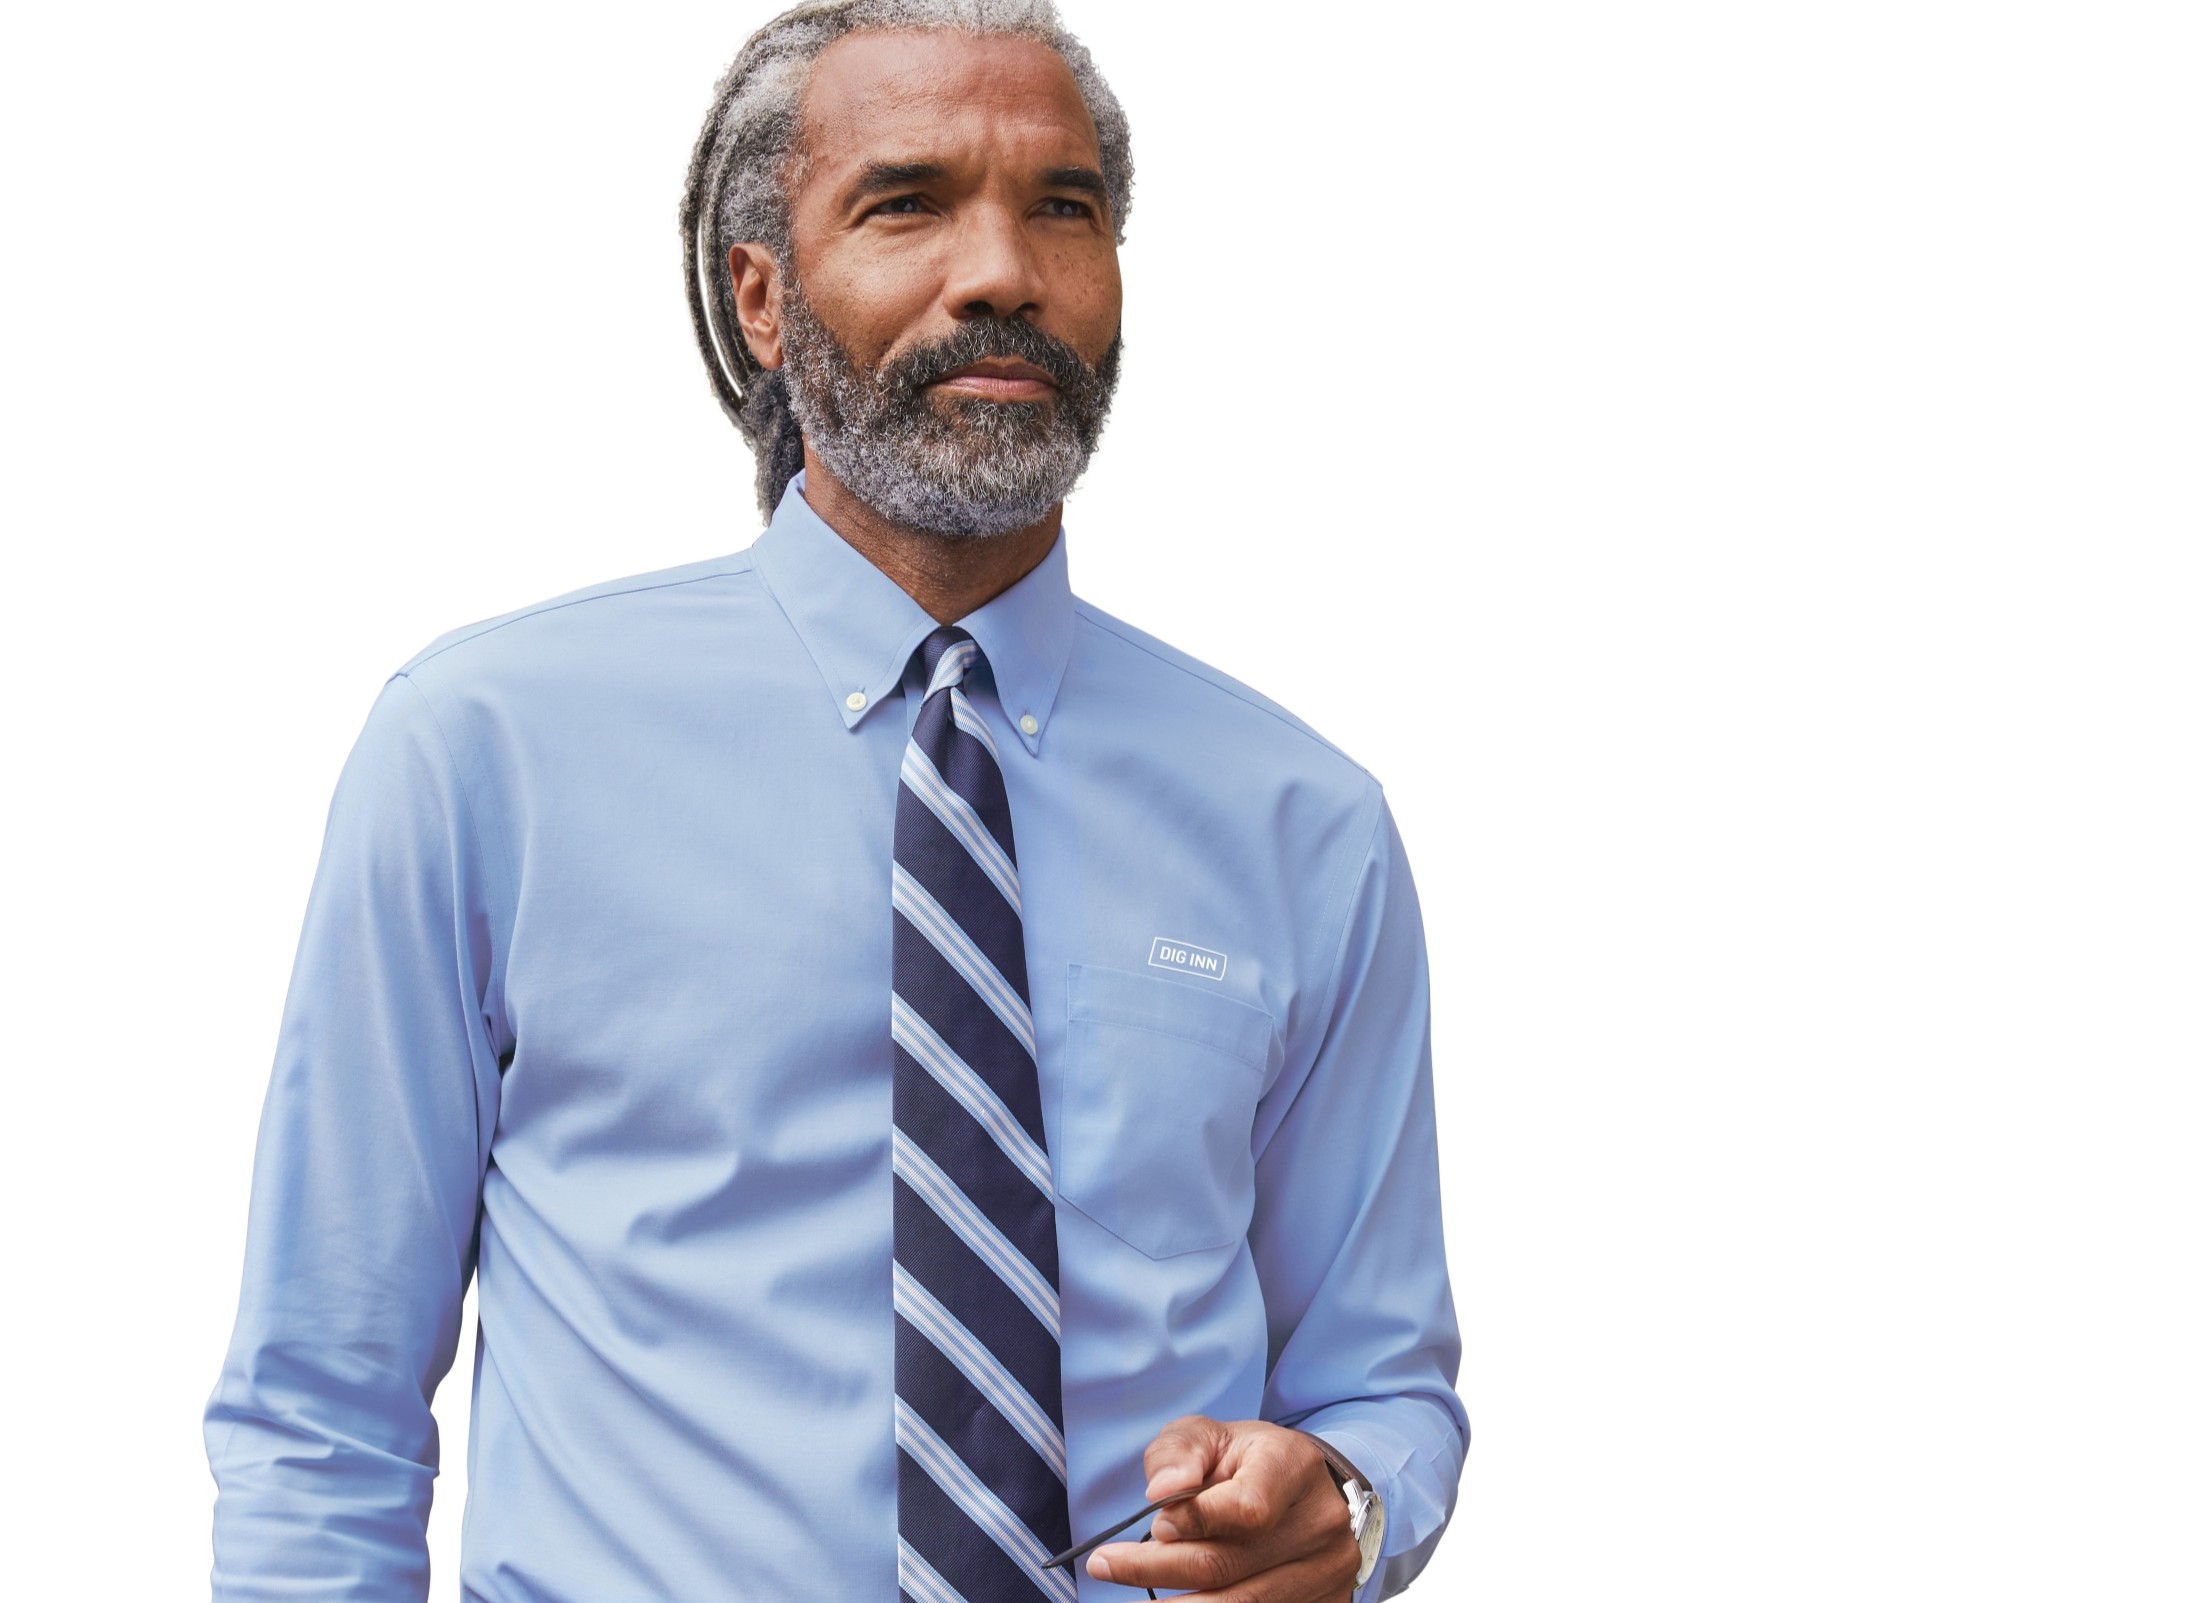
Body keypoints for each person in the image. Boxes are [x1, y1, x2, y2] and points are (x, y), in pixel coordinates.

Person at [202, 2, 1468, 1599]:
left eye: (1063, 207)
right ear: (763, 300)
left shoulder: (1305, 823)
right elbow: (326, 1405)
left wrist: (1346, 1507)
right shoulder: (483, 754)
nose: (1004, 269)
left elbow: (1384, 1386)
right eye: (908, 201)